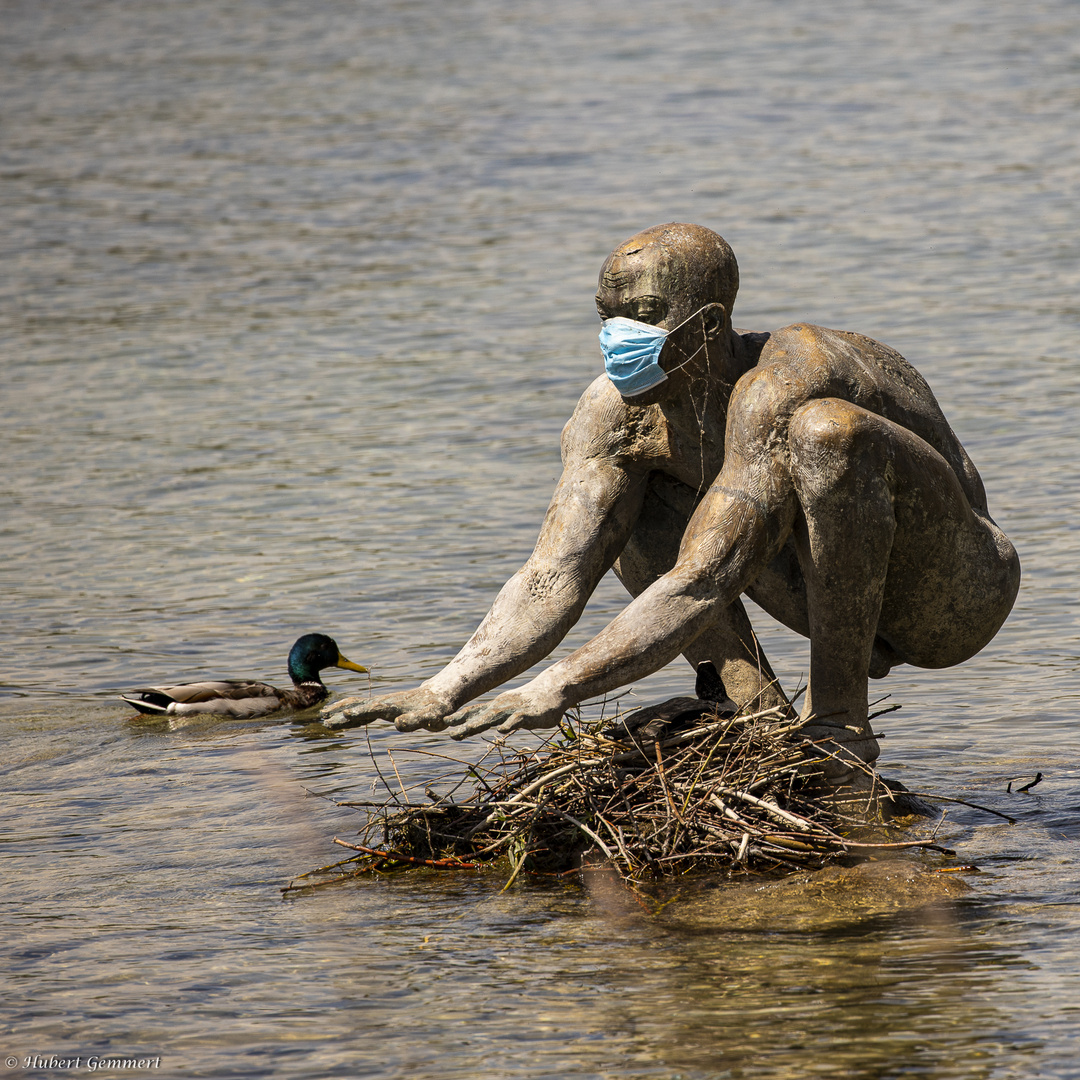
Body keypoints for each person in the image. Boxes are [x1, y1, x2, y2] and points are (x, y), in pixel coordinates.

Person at [322, 223, 1020, 782]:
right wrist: (448, 685)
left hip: (950, 592)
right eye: (610, 315)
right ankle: (760, 717)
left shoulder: (787, 378)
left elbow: (703, 580)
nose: (619, 335)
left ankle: (839, 722)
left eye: (646, 315)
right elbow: (553, 573)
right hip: (822, 589)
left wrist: (559, 687)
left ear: (711, 326)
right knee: (627, 493)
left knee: (826, 434)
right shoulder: (615, 413)